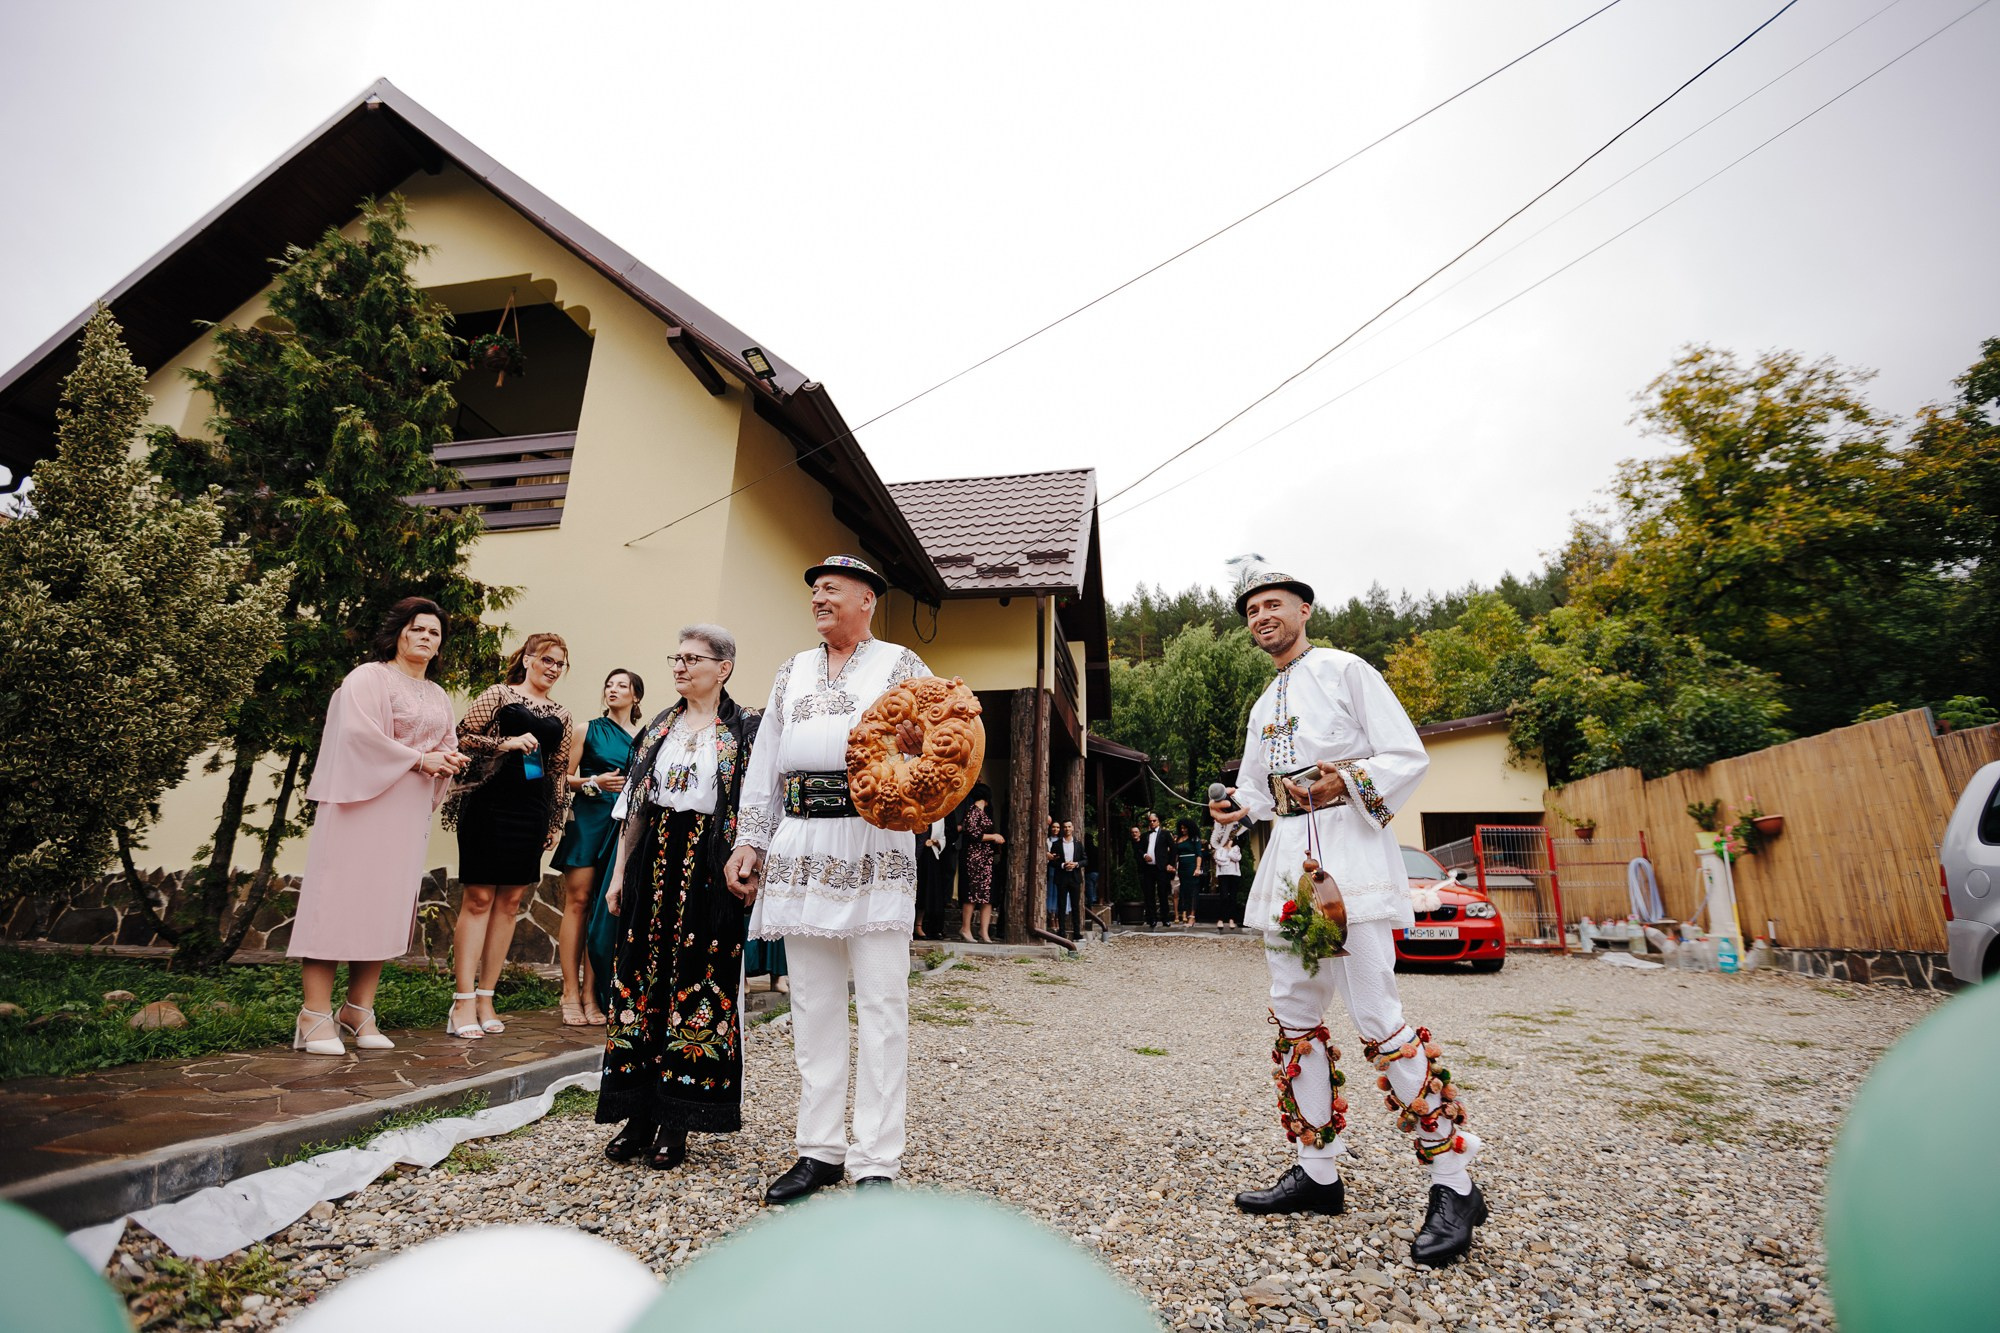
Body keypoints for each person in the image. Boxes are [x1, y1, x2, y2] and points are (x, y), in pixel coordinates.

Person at [1210, 570, 1488, 1268]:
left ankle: (1455, 1178)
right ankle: (1317, 1169)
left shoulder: (1346, 669)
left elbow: (1405, 754)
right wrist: (1236, 808)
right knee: (1295, 1015)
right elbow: (1256, 791)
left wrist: (1348, 778)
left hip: (1350, 857)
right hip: (1288, 866)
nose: (1262, 616)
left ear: (1304, 609)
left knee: (1376, 1013)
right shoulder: (1260, 702)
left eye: (1273, 604)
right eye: (1252, 609)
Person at [724, 555, 934, 1203]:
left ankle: (877, 1157)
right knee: (812, 1002)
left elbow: (940, 745)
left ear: (867, 599)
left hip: (874, 839)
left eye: (831, 589)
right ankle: (819, 1149)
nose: (818, 596)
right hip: (802, 845)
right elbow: (765, 763)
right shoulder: (792, 669)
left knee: (880, 1003)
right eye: (814, 589)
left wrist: (913, 747)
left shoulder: (902, 666)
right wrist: (750, 839)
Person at [596, 627, 761, 1170]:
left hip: (709, 867)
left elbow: (757, 808)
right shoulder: (658, 729)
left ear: (725, 667)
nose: (680, 667)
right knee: (641, 980)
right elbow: (636, 810)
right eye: (677, 657)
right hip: (654, 862)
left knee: (698, 979)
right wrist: (620, 876)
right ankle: (637, 1113)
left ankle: (677, 1120)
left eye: (693, 659)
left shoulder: (745, 730)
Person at [289, 598, 468, 1054]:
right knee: (340, 902)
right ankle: (313, 1015)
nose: (427, 637)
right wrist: (418, 758)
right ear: (399, 633)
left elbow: (445, 740)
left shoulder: (438, 694)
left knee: (382, 906)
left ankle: (358, 1010)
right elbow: (356, 736)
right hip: (360, 804)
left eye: (435, 632)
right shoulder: (368, 678)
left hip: (405, 811)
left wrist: (447, 759)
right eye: (418, 629)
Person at [443, 633, 578, 1041]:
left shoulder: (562, 715)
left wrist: (555, 821)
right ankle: (462, 1000)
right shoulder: (499, 694)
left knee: (511, 902)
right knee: (480, 897)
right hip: (489, 804)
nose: (553, 668)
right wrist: (507, 742)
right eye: (547, 660)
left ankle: (487, 997)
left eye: (561, 663)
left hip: (531, 811)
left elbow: (556, 772)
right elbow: (461, 736)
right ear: (528, 659)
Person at [553, 669, 644, 1026]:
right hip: (589, 820)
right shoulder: (586, 729)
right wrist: (594, 781)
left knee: (604, 909)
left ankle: (594, 994)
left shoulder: (646, 736)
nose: (613, 690)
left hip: (622, 827)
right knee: (577, 902)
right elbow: (562, 778)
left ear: (636, 695)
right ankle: (570, 993)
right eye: (609, 684)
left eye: (622, 686)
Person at [959, 786, 1001, 944]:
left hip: (986, 859)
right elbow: (972, 833)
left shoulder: (983, 812)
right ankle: (965, 928)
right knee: (972, 894)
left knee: (987, 895)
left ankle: (984, 931)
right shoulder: (973, 811)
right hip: (974, 858)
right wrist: (993, 836)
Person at [1139, 812, 1173, 928]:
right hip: (1149, 868)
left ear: (1158, 821)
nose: (1152, 823)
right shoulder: (1145, 835)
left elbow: (1173, 849)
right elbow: (1139, 849)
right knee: (1149, 894)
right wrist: (1144, 856)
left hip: (1161, 868)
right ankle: (1152, 919)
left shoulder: (1165, 834)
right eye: (1150, 821)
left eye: (1154, 821)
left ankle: (1165, 918)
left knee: (1163, 893)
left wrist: (1170, 864)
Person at [1211, 818, 1245, 930]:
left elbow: (1237, 858)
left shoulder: (1235, 848)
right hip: (1223, 875)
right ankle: (1221, 919)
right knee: (1224, 897)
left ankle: (1231, 919)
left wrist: (1229, 850)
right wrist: (1228, 860)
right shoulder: (1219, 849)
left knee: (1233, 897)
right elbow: (1217, 859)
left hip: (1234, 874)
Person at [1053, 819, 1083, 931]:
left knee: (1075, 906)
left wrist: (1076, 864)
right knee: (1061, 905)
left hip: (1075, 877)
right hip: (1062, 877)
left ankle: (1077, 931)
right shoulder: (1057, 844)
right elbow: (1052, 861)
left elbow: (1085, 860)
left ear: (1073, 828)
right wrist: (1062, 865)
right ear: (1062, 829)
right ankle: (1061, 930)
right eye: (1065, 827)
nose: (1067, 829)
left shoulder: (1078, 844)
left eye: (1069, 827)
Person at [1174, 819, 1204, 925]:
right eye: (1181, 828)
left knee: (1193, 891)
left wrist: (1197, 868)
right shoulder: (1178, 839)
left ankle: (1192, 916)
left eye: (1185, 828)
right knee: (1184, 891)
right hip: (1181, 867)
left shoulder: (1194, 839)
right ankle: (1185, 913)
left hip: (1191, 865)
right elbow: (1176, 855)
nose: (1183, 830)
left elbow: (1199, 854)